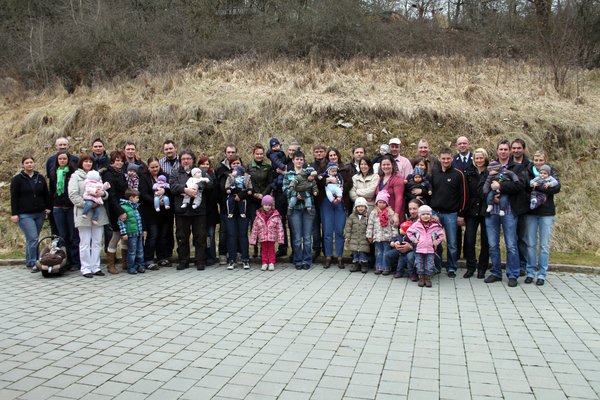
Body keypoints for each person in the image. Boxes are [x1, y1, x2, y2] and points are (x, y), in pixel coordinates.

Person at [482, 139, 529, 287]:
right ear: (497, 151)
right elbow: (482, 187)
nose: (503, 152)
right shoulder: (491, 166)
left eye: (505, 149)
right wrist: (492, 196)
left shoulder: (517, 167)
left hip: (509, 211)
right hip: (492, 212)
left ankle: (513, 274)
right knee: (493, 244)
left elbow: (519, 185)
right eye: (500, 149)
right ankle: (496, 272)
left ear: (509, 151)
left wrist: (500, 187)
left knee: (511, 245)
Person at [170, 149, 213, 270]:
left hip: (198, 210)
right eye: (183, 159)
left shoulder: (200, 172)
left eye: (188, 158)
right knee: (182, 237)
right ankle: (183, 260)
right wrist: (185, 189)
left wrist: (198, 186)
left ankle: (200, 260)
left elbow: (210, 183)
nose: (186, 161)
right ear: (180, 161)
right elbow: (172, 186)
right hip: (182, 210)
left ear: (193, 160)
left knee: (200, 236)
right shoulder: (175, 173)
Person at [68, 154, 109, 277]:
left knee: (97, 241)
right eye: (85, 161)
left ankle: (95, 266)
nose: (88, 164)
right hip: (83, 212)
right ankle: (85, 267)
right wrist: (86, 204)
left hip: (98, 211)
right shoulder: (76, 176)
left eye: (90, 162)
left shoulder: (96, 175)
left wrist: (103, 194)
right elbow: (73, 195)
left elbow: (104, 192)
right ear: (81, 163)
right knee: (85, 242)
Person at [525, 151, 560, 285]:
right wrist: (537, 188)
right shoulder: (528, 170)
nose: (538, 162)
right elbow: (526, 187)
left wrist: (538, 187)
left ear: (545, 160)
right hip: (531, 212)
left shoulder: (551, 172)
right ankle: (530, 272)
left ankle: (542, 274)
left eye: (541, 160)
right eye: (536, 160)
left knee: (544, 245)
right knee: (531, 244)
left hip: (546, 212)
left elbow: (556, 188)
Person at [430, 147, 466, 278]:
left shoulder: (458, 174)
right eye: (443, 158)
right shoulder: (434, 172)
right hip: (435, 213)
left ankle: (451, 268)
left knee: (452, 243)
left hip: (451, 214)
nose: (446, 161)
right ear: (439, 158)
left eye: (448, 158)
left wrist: (461, 213)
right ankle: (437, 266)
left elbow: (463, 195)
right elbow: (430, 192)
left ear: (452, 158)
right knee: (435, 242)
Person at [10, 156, 51, 272]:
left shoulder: (40, 178)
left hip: (39, 213)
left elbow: (46, 194)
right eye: (27, 163)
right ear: (23, 165)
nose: (29, 165)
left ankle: (29, 260)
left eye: (31, 162)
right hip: (24, 214)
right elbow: (14, 198)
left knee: (31, 238)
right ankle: (34, 262)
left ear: (34, 164)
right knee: (33, 238)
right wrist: (14, 214)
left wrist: (48, 207)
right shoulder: (17, 179)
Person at [48, 150, 80, 272]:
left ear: (68, 160)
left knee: (73, 236)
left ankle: (75, 262)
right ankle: (63, 261)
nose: (62, 161)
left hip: (71, 207)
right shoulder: (54, 173)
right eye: (60, 159)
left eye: (64, 159)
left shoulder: (73, 173)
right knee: (62, 236)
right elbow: (51, 191)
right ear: (57, 160)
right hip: (58, 207)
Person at [138, 157, 172, 270]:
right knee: (153, 235)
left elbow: (170, 189)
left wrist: (165, 192)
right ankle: (149, 259)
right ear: (148, 167)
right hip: (150, 211)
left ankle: (161, 257)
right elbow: (143, 194)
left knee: (163, 235)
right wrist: (155, 201)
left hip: (164, 212)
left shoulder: (165, 176)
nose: (155, 169)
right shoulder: (144, 178)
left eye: (156, 166)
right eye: (152, 167)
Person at [283, 150, 315, 270]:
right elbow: (285, 189)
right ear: (293, 160)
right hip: (294, 209)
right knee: (297, 237)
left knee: (307, 237)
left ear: (304, 160)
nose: (299, 161)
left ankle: (307, 260)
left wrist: (305, 193)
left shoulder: (309, 174)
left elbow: (313, 187)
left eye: (301, 159)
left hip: (308, 209)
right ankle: (297, 259)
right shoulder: (288, 174)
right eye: (297, 159)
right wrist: (295, 194)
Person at [463, 148, 490, 279]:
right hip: (471, 210)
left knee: (485, 241)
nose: (479, 160)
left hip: (486, 210)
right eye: (477, 158)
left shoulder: (490, 172)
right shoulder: (469, 172)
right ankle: (470, 266)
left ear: (485, 158)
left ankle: (482, 268)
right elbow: (465, 193)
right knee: (469, 240)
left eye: (481, 158)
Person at [102, 150, 129, 274]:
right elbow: (111, 196)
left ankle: (125, 262)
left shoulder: (122, 173)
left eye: (121, 160)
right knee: (116, 235)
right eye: (117, 160)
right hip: (115, 209)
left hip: (124, 206)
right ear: (112, 161)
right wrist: (119, 212)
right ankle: (110, 264)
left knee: (125, 236)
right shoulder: (108, 174)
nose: (119, 162)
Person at [406, 205, 445, 288]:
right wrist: (414, 240)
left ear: (430, 215)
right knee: (419, 263)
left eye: (427, 214)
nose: (425, 216)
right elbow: (409, 232)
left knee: (429, 264)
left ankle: (427, 278)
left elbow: (441, 234)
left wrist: (436, 242)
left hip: (430, 249)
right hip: (419, 249)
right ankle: (421, 278)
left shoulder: (435, 225)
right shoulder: (416, 225)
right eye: (423, 214)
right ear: (420, 216)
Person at [222, 157, 251, 270]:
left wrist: (241, 195)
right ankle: (232, 259)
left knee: (243, 235)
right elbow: (223, 190)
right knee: (231, 235)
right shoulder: (227, 176)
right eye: (233, 163)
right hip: (230, 211)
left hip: (243, 209)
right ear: (230, 165)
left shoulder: (247, 176)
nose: (236, 165)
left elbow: (250, 190)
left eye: (238, 163)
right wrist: (235, 194)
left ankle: (245, 259)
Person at [247, 143, 274, 259]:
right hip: (253, 199)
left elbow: (270, 183)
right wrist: (255, 193)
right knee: (255, 224)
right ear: (253, 154)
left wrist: (263, 195)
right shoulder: (248, 167)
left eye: (261, 154)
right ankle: (255, 248)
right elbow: (248, 183)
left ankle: (265, 249)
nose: (259, 156)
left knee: (265, 225)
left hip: (265, 200)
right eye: (257, 154)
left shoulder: (268, 167)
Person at [215, 145, 239, 264]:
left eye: (233, 152)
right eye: (228, 152)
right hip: (225, 204)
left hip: (238, 204)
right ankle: (222, 253)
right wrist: (222, 200)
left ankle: (237, 253)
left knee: (237, 230)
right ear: (225, 153)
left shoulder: (240, 167)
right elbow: (219, 187)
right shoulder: (220, 168)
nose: (230, 154)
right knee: (224, 230)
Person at [249, 195, 284, 271]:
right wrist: (253, 239)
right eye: (265, 205)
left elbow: (280, 228)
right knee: (264, 250)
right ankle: (264, 263)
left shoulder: (275, 216)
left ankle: (271, 262)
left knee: (271, 250)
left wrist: (280, 239)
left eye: (269, 205)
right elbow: (254, 229)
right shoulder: (258, 216)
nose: (267, 207)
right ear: (262, 205)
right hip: (262, 236)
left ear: (272, 206)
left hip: (271, 237)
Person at [366, 191, 396, 275]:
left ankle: (386, 267)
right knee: (379, 252)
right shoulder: (374, 213)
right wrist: (369, 235)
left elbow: (393, 225)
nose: (381, 204)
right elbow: (370, 224)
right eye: (380, 202)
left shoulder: (390, 213)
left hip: (387, 237)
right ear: (376, 203)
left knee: (386, 253)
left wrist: (394, 236)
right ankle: (379, 267)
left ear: (386, 203)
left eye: (383, 203)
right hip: (377, 236)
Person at [158, 139, 179, 260]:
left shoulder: (182, 160)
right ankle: (168, 252)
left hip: (181, 197)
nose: (169, 151)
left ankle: (181, 251)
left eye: (170, 148)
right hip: (167, 198)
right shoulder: (160, 163)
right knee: (168, 227)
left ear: (175, 148)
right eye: (166, 149)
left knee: (181, 227)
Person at [117, 189, 145, 274]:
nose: (138, 199)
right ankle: (131, 267)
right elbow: (121, 222)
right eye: (137, 197)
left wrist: (142, 230)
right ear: (131, 198)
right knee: (132, 251)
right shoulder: (124, 207)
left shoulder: (136, 207)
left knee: (140, 250)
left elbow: (139, 220)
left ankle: (141, 265)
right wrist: (124, 233)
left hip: (138, 232)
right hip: (131, 232)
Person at [198, 156, 219, 266]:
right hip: (199, 211)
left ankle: (211, 256)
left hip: (211, 211)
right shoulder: (195, 177)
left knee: (210, 235)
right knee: (200, 235)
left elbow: (215, 194)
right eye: (203, 164)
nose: (205, 166)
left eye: (207, 164)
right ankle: (202, 256)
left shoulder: (213, 177)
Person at [374, 154, 405, 226]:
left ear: (392, 165)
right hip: (382, 214)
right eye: (383, 165)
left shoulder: (397, 178)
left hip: (393, 214)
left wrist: (396, 215)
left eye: (388, 164)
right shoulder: (380, 178)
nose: (386, 166)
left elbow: (399, 198)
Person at [344, 197, 370, 273]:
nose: (360, 208)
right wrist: (347, 236)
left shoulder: (367, 217)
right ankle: (355, 264)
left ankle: (363, 264)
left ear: (365, 207)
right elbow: (348, 227)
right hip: (354, 238)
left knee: (362, 252)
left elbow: (370, 226)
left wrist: (369, 235)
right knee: (355, 252)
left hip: (363, 238)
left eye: (362, 206)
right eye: (358, 206)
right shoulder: (352, 217)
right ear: (355, 207)